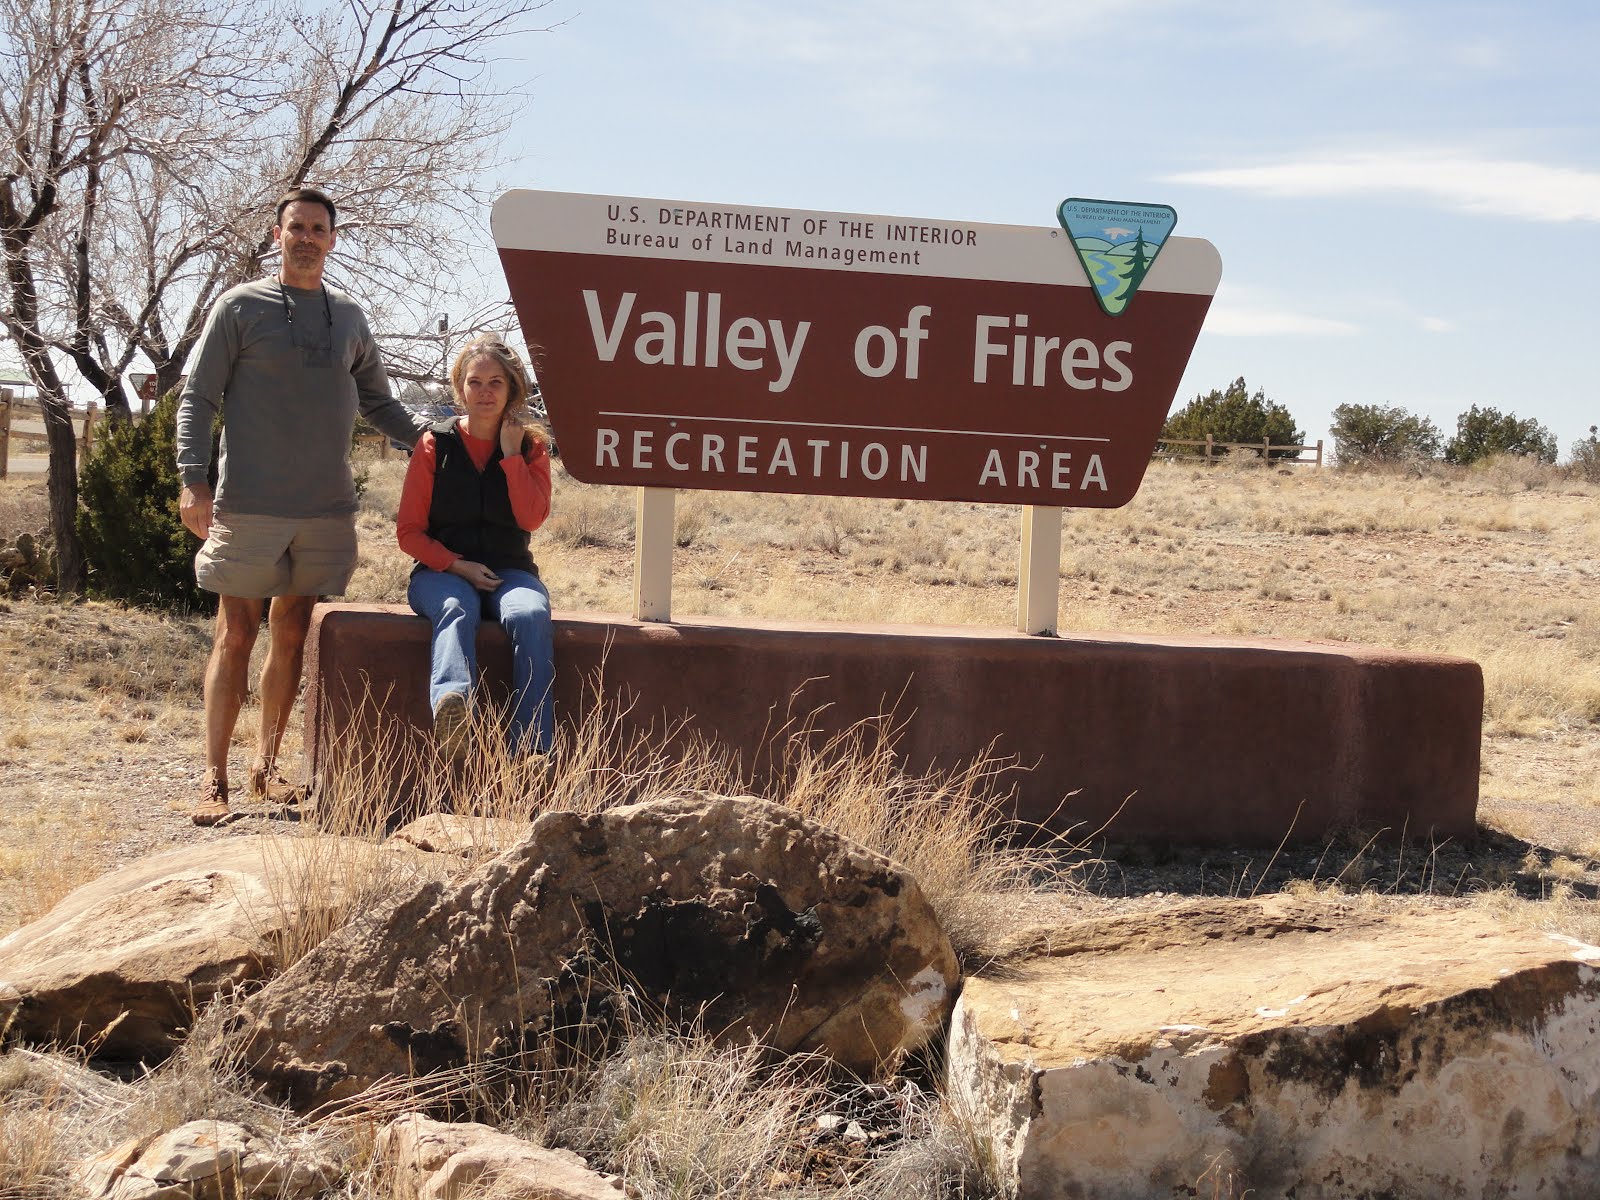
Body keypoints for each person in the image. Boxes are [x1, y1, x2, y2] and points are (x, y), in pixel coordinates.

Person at [176, 187, 429, 825]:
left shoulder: (348, 317)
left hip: (324, 511)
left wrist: (432, 440)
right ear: (277, 234)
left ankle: (266, 767)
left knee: (291, 634)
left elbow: (379, 403)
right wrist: (192, 479)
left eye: (319, 228)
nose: (307, 238)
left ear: (333, 239)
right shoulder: (240, 307)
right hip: (249, 504)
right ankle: (214, 777)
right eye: (297, 227)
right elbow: (199, 398)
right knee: (235, 635)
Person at [396, 336, 555, 762]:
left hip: (510, 571)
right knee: (457, 606)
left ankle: (532, 745)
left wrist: (510, 457)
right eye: (475, 382)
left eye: (495, 382)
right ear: (460, 389)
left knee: (531, 614)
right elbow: (408, 532)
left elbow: (531, 519)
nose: (485, 391)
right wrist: (456, 565)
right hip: (439, 572)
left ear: (512, 389)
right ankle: (453, 708)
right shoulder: (435, 445)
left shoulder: (531, 448)